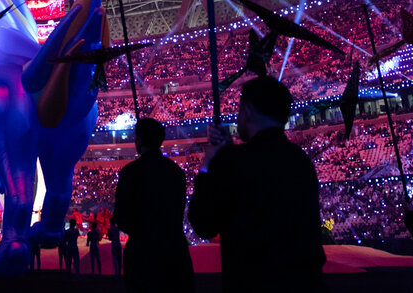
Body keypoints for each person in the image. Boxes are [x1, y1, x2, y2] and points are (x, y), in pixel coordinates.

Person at [188, 76, 326, 293]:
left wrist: (208, 164)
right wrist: (229, 150)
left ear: (248, 110)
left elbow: (203, 223)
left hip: (253, 281)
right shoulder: (300, 160)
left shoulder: (233, 162)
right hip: (304, 282)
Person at [112, 118, 193, 292]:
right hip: (175, 254)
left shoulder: (130, 172)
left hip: (142, 257)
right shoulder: (176, 172)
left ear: (139, 140)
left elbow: (121, 217)